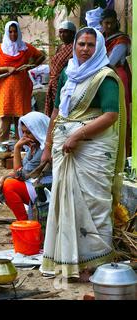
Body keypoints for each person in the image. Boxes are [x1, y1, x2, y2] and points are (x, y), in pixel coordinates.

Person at [40, 28, 126, 281]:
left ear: (98, 48)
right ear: (74, 46)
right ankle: (69, 261)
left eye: (90, 45)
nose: (85, 49)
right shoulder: (68, 72)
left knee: (92, 205)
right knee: (65, 203)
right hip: (62, 149)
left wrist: (78, 135)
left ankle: (95, 263)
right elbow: (57, 111)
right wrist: (47, 146)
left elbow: (111, 116)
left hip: (92, 151)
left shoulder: (105, 77)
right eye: (81, 44)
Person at [0, 21, 45, 143]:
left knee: (22, 118)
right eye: (10, 31)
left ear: (18, 32)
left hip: (21, 88)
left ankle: (23, 146)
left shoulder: (25, 47)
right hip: (5, 89)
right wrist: (7, 68)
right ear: (6, 32)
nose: (13, 34)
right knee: (4, 118)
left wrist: (31, 66)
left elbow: (41, 56)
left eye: (15, 31)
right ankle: (2, 146)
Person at [0, 112, 52, 221]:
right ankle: (25, 222)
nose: (24, 136)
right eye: (23, 132)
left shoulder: (43, 150)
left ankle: (24, 222)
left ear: (38, 130)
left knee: (8, 186)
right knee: (1, 185)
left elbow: (20, 174)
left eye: (29, 132)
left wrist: (16, 148)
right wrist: (4, 177)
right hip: (36, 183)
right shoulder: (34, 147)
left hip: (48, 188)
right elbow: (20, 171)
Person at [101, 9, 132, 156]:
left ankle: (124, 153)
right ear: (101, 23)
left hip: (118, 75)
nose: (109, 26)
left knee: (120, 113)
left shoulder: (122, 39)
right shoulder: (100, 38)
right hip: (103, 75)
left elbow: (111, 62)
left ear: (116, 22)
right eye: (106, 23)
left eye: (111, 23)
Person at [44, 21, 76, 116]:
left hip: (64, 82)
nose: (62, 35)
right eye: (60, 32)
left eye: (65, 32)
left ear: (72, 33)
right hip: (53, 82)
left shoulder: (75, 47)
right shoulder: (61, 47)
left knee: (63, 108)